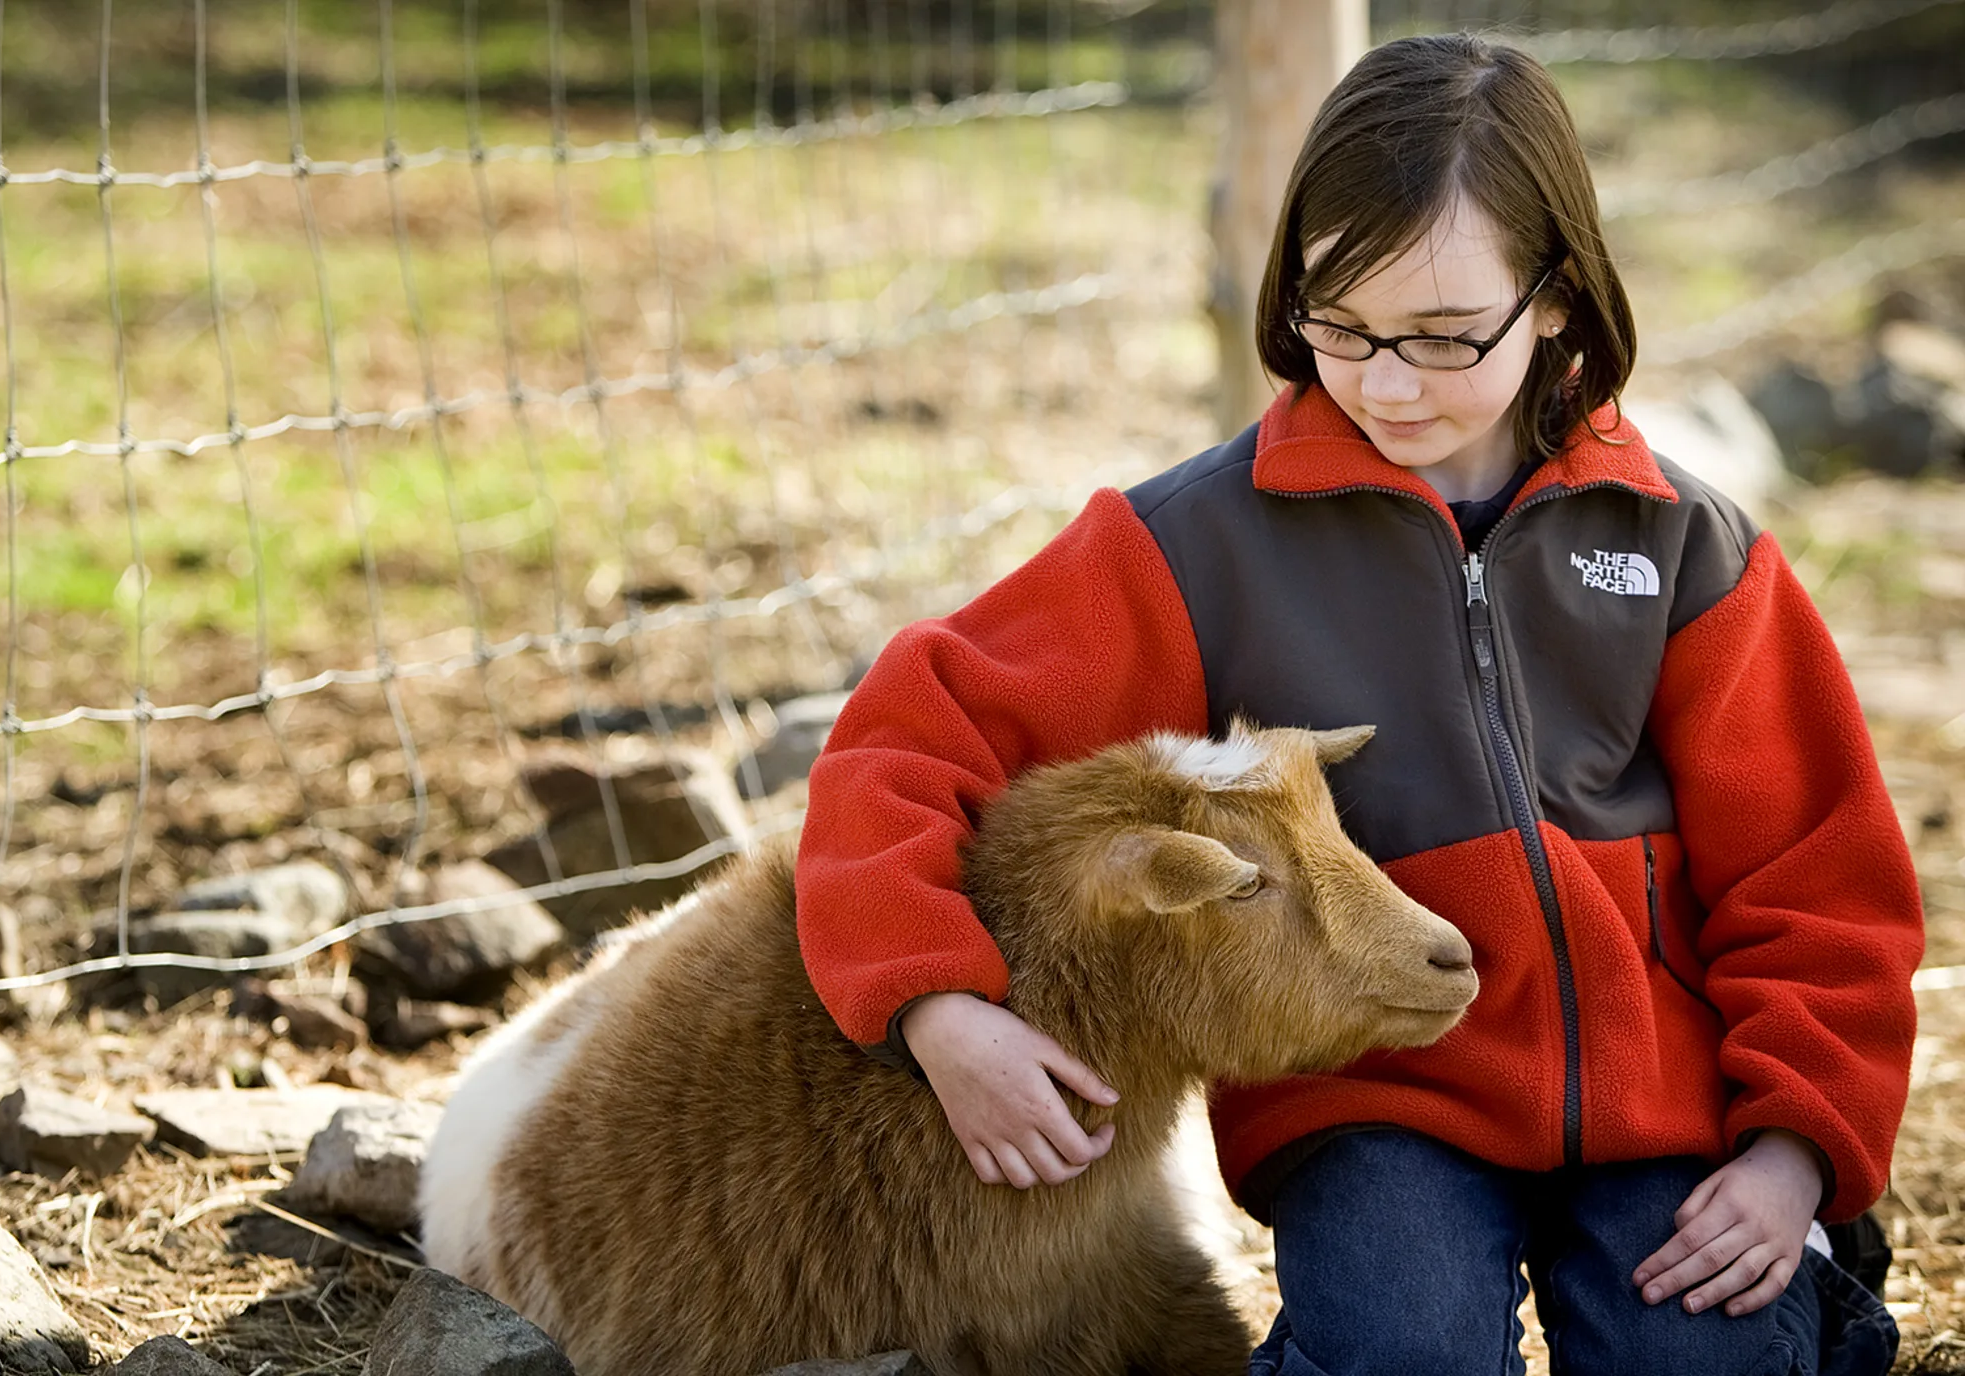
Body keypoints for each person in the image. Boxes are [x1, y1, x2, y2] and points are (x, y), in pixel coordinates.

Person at [793, 31, 1921, 1376]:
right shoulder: (1194, 544)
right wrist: (936, 1004)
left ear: (1557, 297)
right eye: (1342, 324)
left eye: (1445, 338)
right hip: (1378, 1100)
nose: (1387, 383)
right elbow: (906, 741)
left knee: (1703, 1357)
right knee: (1402, 1354)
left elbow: (1820, 870)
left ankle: (1814, 1290)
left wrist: (1797, 1147)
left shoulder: (1682, 543)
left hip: (1666, 1099)